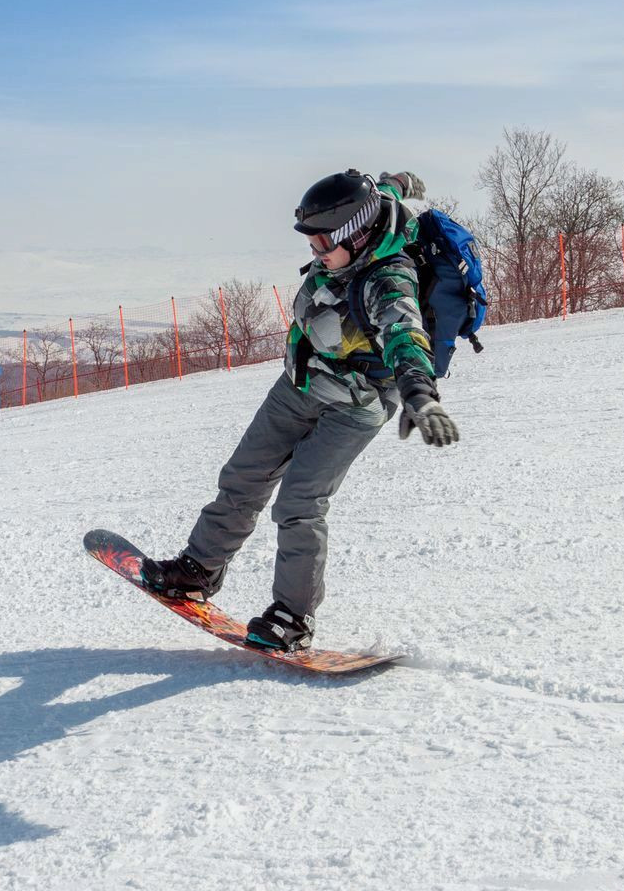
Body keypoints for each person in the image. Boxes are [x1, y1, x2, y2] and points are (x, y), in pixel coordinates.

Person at [141, 169, 460, 651]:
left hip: (355, 405)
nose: (316, 252)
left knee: (299, 503)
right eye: (310, 242)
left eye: (323, 243)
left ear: (357, 234)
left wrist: (420, 394)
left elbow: (405, 335)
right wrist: (399, 181)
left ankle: (293, 616)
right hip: (300, 383)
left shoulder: (389, 278)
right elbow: (386, 190)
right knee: (243, 476)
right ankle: (198, 570)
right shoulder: (366, 217)